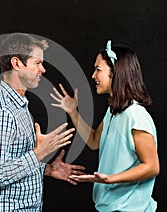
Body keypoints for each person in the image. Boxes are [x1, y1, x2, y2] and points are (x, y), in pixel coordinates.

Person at [0, 33, 86, 211]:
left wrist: (47, 169)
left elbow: (12, 162)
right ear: (17, 63)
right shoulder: (0, 113)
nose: (43, 69)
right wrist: (37, 155)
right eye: (37, 63)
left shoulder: (19, 106)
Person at [51, 40, 160, 211]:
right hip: (109, 207)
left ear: (116, 73)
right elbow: (94, 141)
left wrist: (110, 178)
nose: (93, 75)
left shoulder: (135, 115)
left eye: (98, 69)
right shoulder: (113, 111)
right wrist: (73, 111)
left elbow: (152, 167)